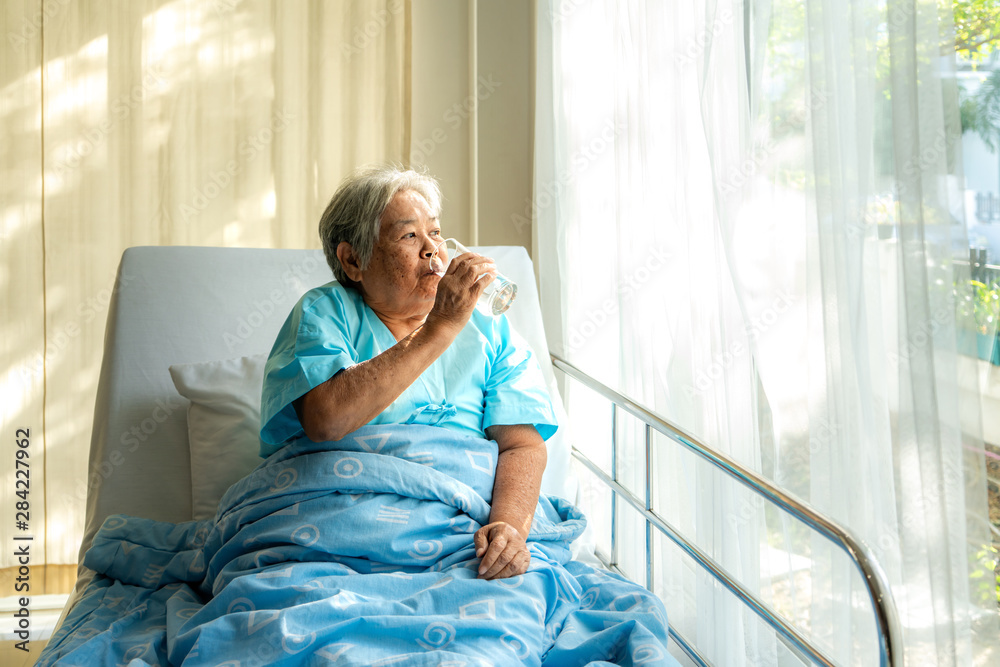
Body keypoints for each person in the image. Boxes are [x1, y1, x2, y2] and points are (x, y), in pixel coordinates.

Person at [259, 165, 558, 581]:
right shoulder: (324, 312)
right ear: (353, 260)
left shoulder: (489, 326)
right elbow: (326, 420)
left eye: (435, 233)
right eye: (408, 236)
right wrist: (440, 327)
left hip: (465, 536)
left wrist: (508, 529)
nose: (432, 250)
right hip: (339, 532)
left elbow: (522, 445)